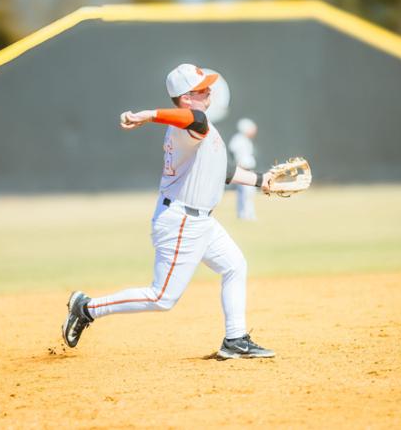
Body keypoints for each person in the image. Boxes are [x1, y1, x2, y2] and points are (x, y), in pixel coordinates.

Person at [62, 63, 276, 359]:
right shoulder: (191, 125)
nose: (209, 90)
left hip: (202, 221)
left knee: (235, 266)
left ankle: (235, 339)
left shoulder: (201, 128)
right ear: (186, 98)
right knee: (162, 297)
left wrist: (261, 180)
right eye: (202, 88)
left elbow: (222, 169)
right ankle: (86, 308)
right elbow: (195, 119)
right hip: (182, 221)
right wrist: (150, 115)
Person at [229, 118, 259, 220]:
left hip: (248, 169)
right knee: (245, 193)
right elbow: (234, 154)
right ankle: (244, 215)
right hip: (243, 169)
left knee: (249, 193)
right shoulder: (238, 139)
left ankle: (248, 214)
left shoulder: (246, 140)